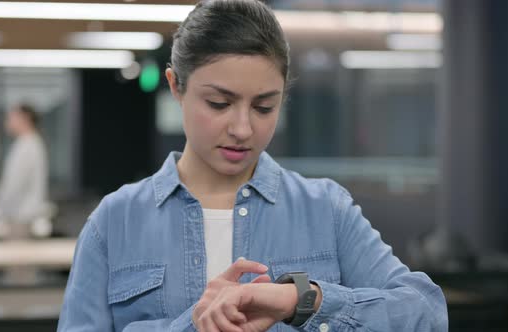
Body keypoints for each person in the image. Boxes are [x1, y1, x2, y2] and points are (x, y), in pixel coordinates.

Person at [57, 0, 448, 331]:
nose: (243, 128)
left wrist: (304, 300)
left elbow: (426, 312)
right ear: (176, 86)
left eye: (264, 106)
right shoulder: (115, 221)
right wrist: (191, 324)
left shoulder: (325, 209)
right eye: (219, 104)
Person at [0, 103, 55, 238]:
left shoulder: (28, 146)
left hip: (20, 222)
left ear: (25, 118)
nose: (8, 121)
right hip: (21, 219)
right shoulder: (30, 143)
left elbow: (13, 185)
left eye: (11, 117)